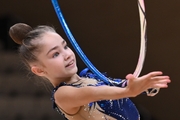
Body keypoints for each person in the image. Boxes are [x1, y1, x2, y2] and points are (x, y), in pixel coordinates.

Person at [9, 23, 171, 120]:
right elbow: (95, 93)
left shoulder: (90, 76)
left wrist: (142, 86)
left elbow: (118, 86)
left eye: (65, 46)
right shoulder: (62, 95)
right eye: (55, 54)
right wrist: (129, 90)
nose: (66, 54)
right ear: (39, 70)